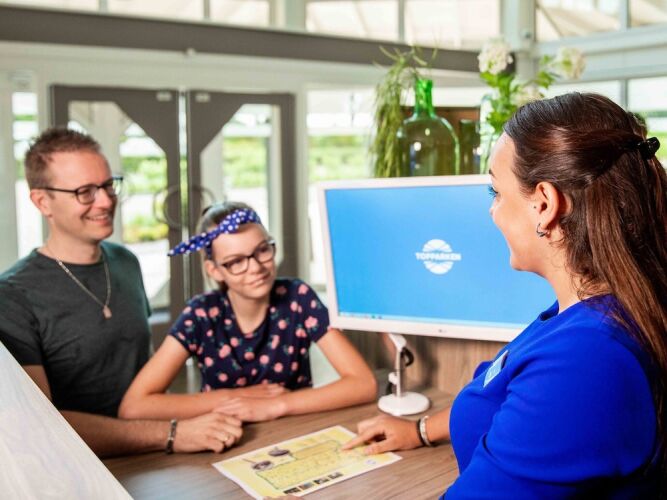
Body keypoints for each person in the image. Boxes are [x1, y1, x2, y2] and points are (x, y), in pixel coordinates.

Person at [344, 93, 667, 497]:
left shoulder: (585, 359)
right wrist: (421, 430)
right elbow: (505, 389)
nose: (492, 211)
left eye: (496, 192)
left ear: (544, 204)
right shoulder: (584, 311)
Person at [0, 128, 243, 456]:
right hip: (84, 467)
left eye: (108, 185)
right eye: (85, 192)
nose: (105, 201)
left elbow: (145, 379)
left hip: (158, 452)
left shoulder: (125, 262)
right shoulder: (12, 295)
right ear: (43, 201)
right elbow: (39, 424)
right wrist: (171, 434)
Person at [118, 201, 377, 422]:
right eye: (236, 262)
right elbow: (134, 406)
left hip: (291, 430)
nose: (256, 268)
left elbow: (363, 384)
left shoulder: (297, 297)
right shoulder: (201, 314)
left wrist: (277, 405)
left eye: (262, 250)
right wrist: (234, 398)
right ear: (214, 270)